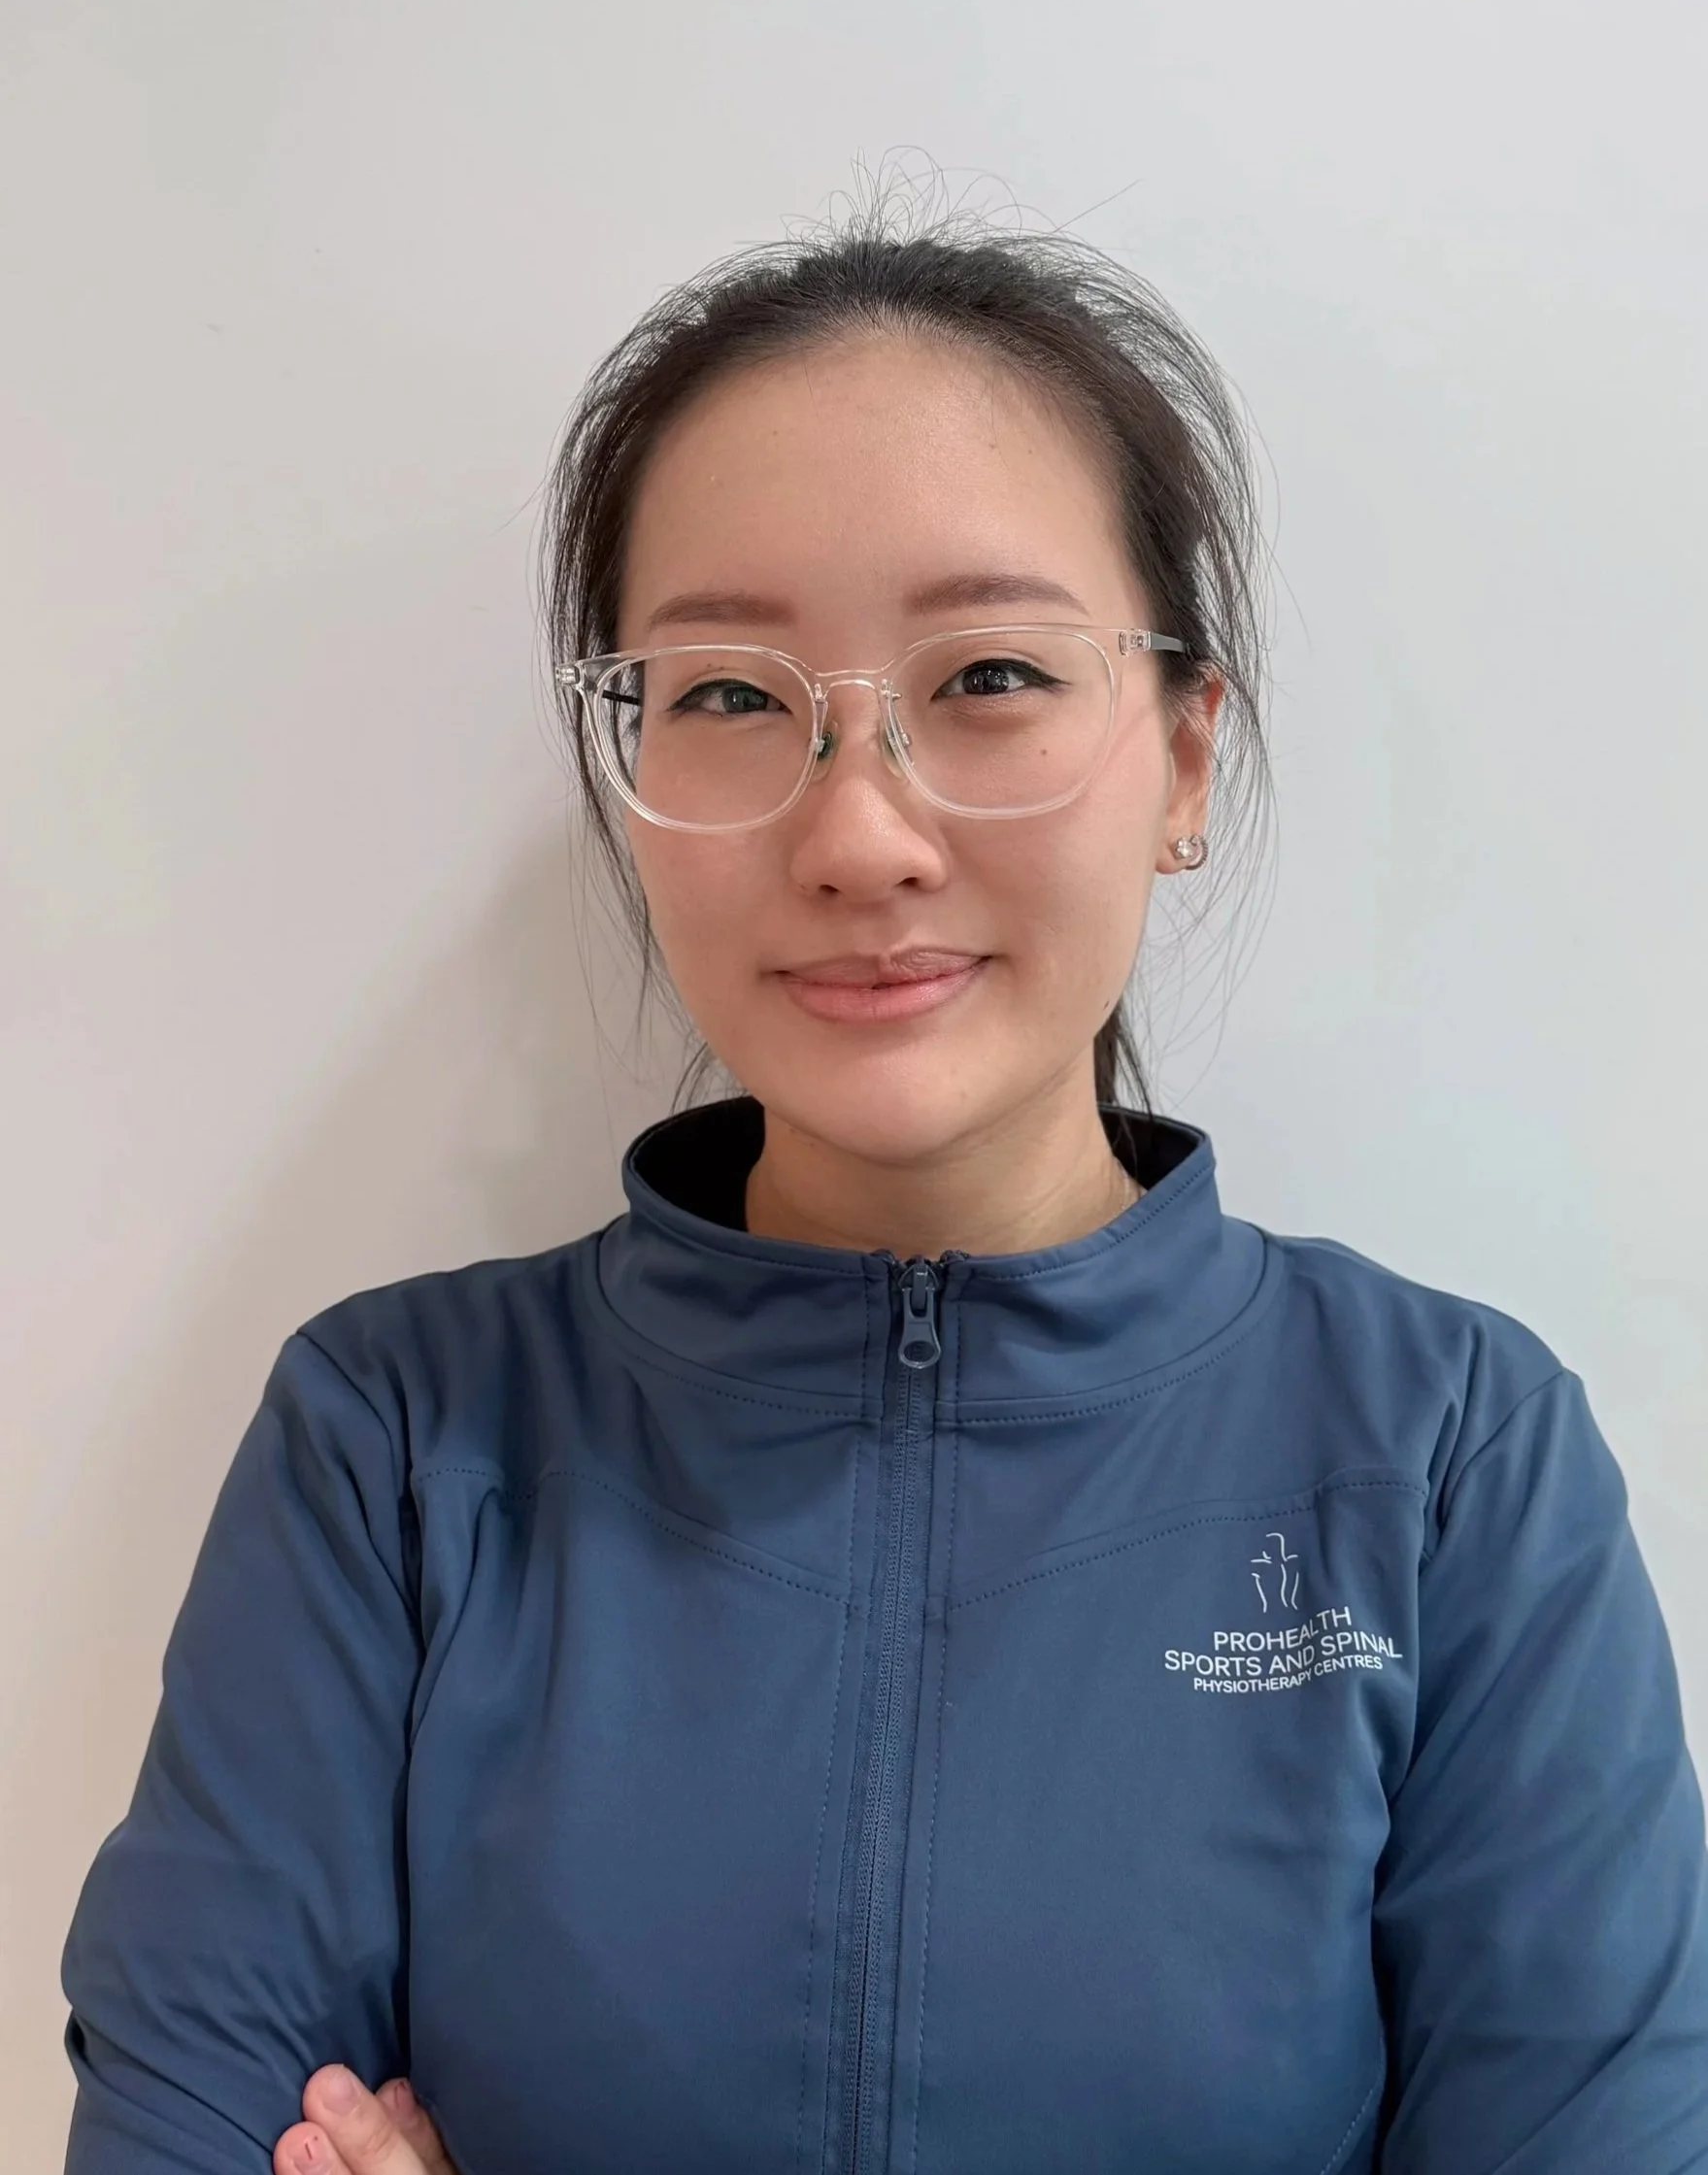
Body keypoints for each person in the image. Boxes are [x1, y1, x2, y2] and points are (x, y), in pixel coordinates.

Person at [59, 192, 1708, 2175]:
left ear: (1184, 754)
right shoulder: (396, 1448)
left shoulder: (1449, 1460)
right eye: (734, 694)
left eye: (991, 674)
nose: (858, 831)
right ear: (632, 773)